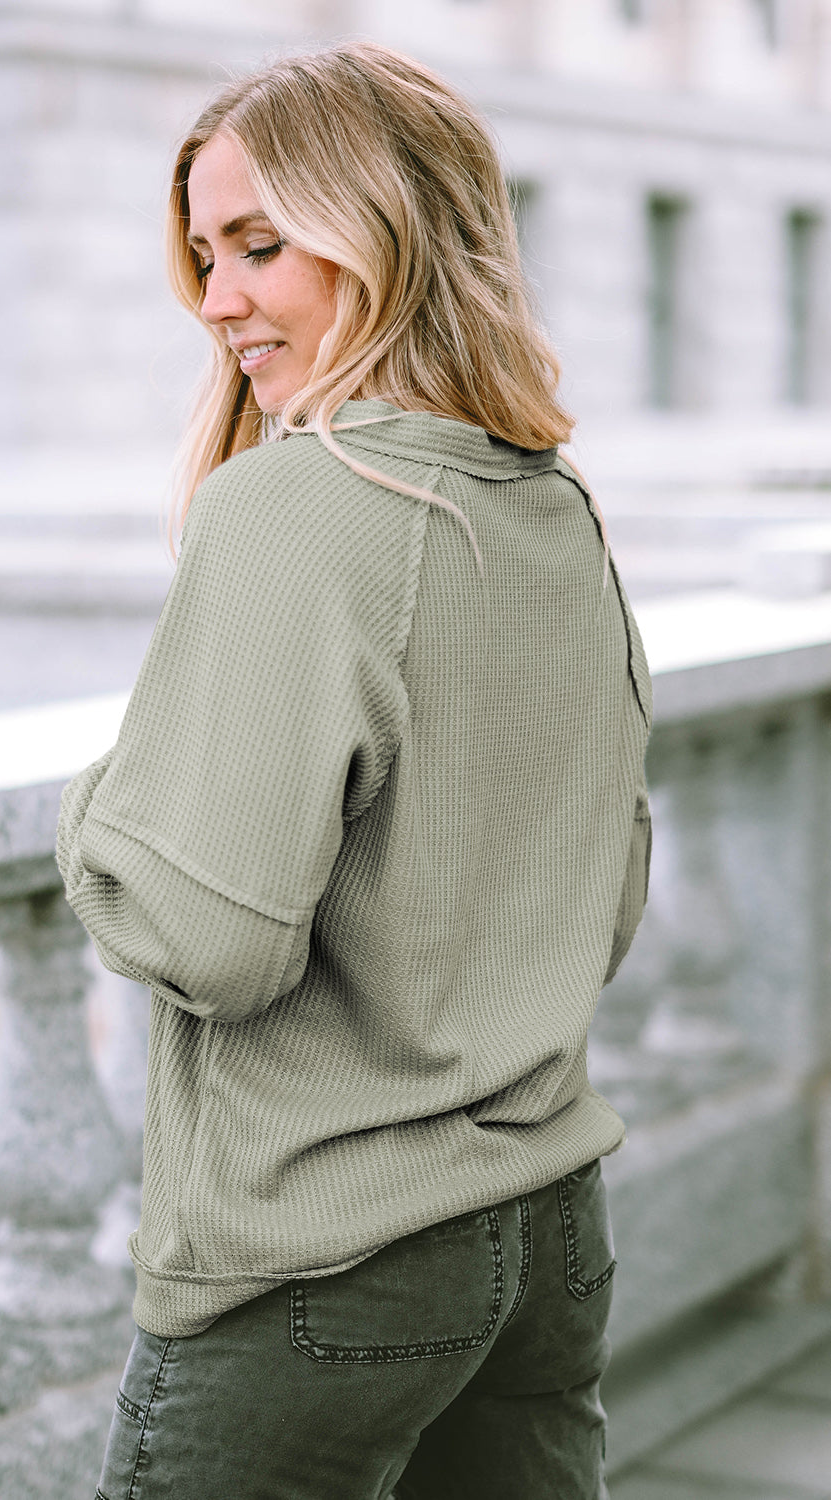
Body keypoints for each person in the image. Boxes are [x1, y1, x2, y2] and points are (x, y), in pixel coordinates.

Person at [56, 39, 652, 1500]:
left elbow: (209, 937)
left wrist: (97, 812)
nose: (217, 301)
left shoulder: (297, 510)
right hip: (544, 1228)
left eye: (261, 245)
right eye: (206, 256)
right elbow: (610, 884)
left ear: (390, 231)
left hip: (325, 1260)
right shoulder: (549, 503)